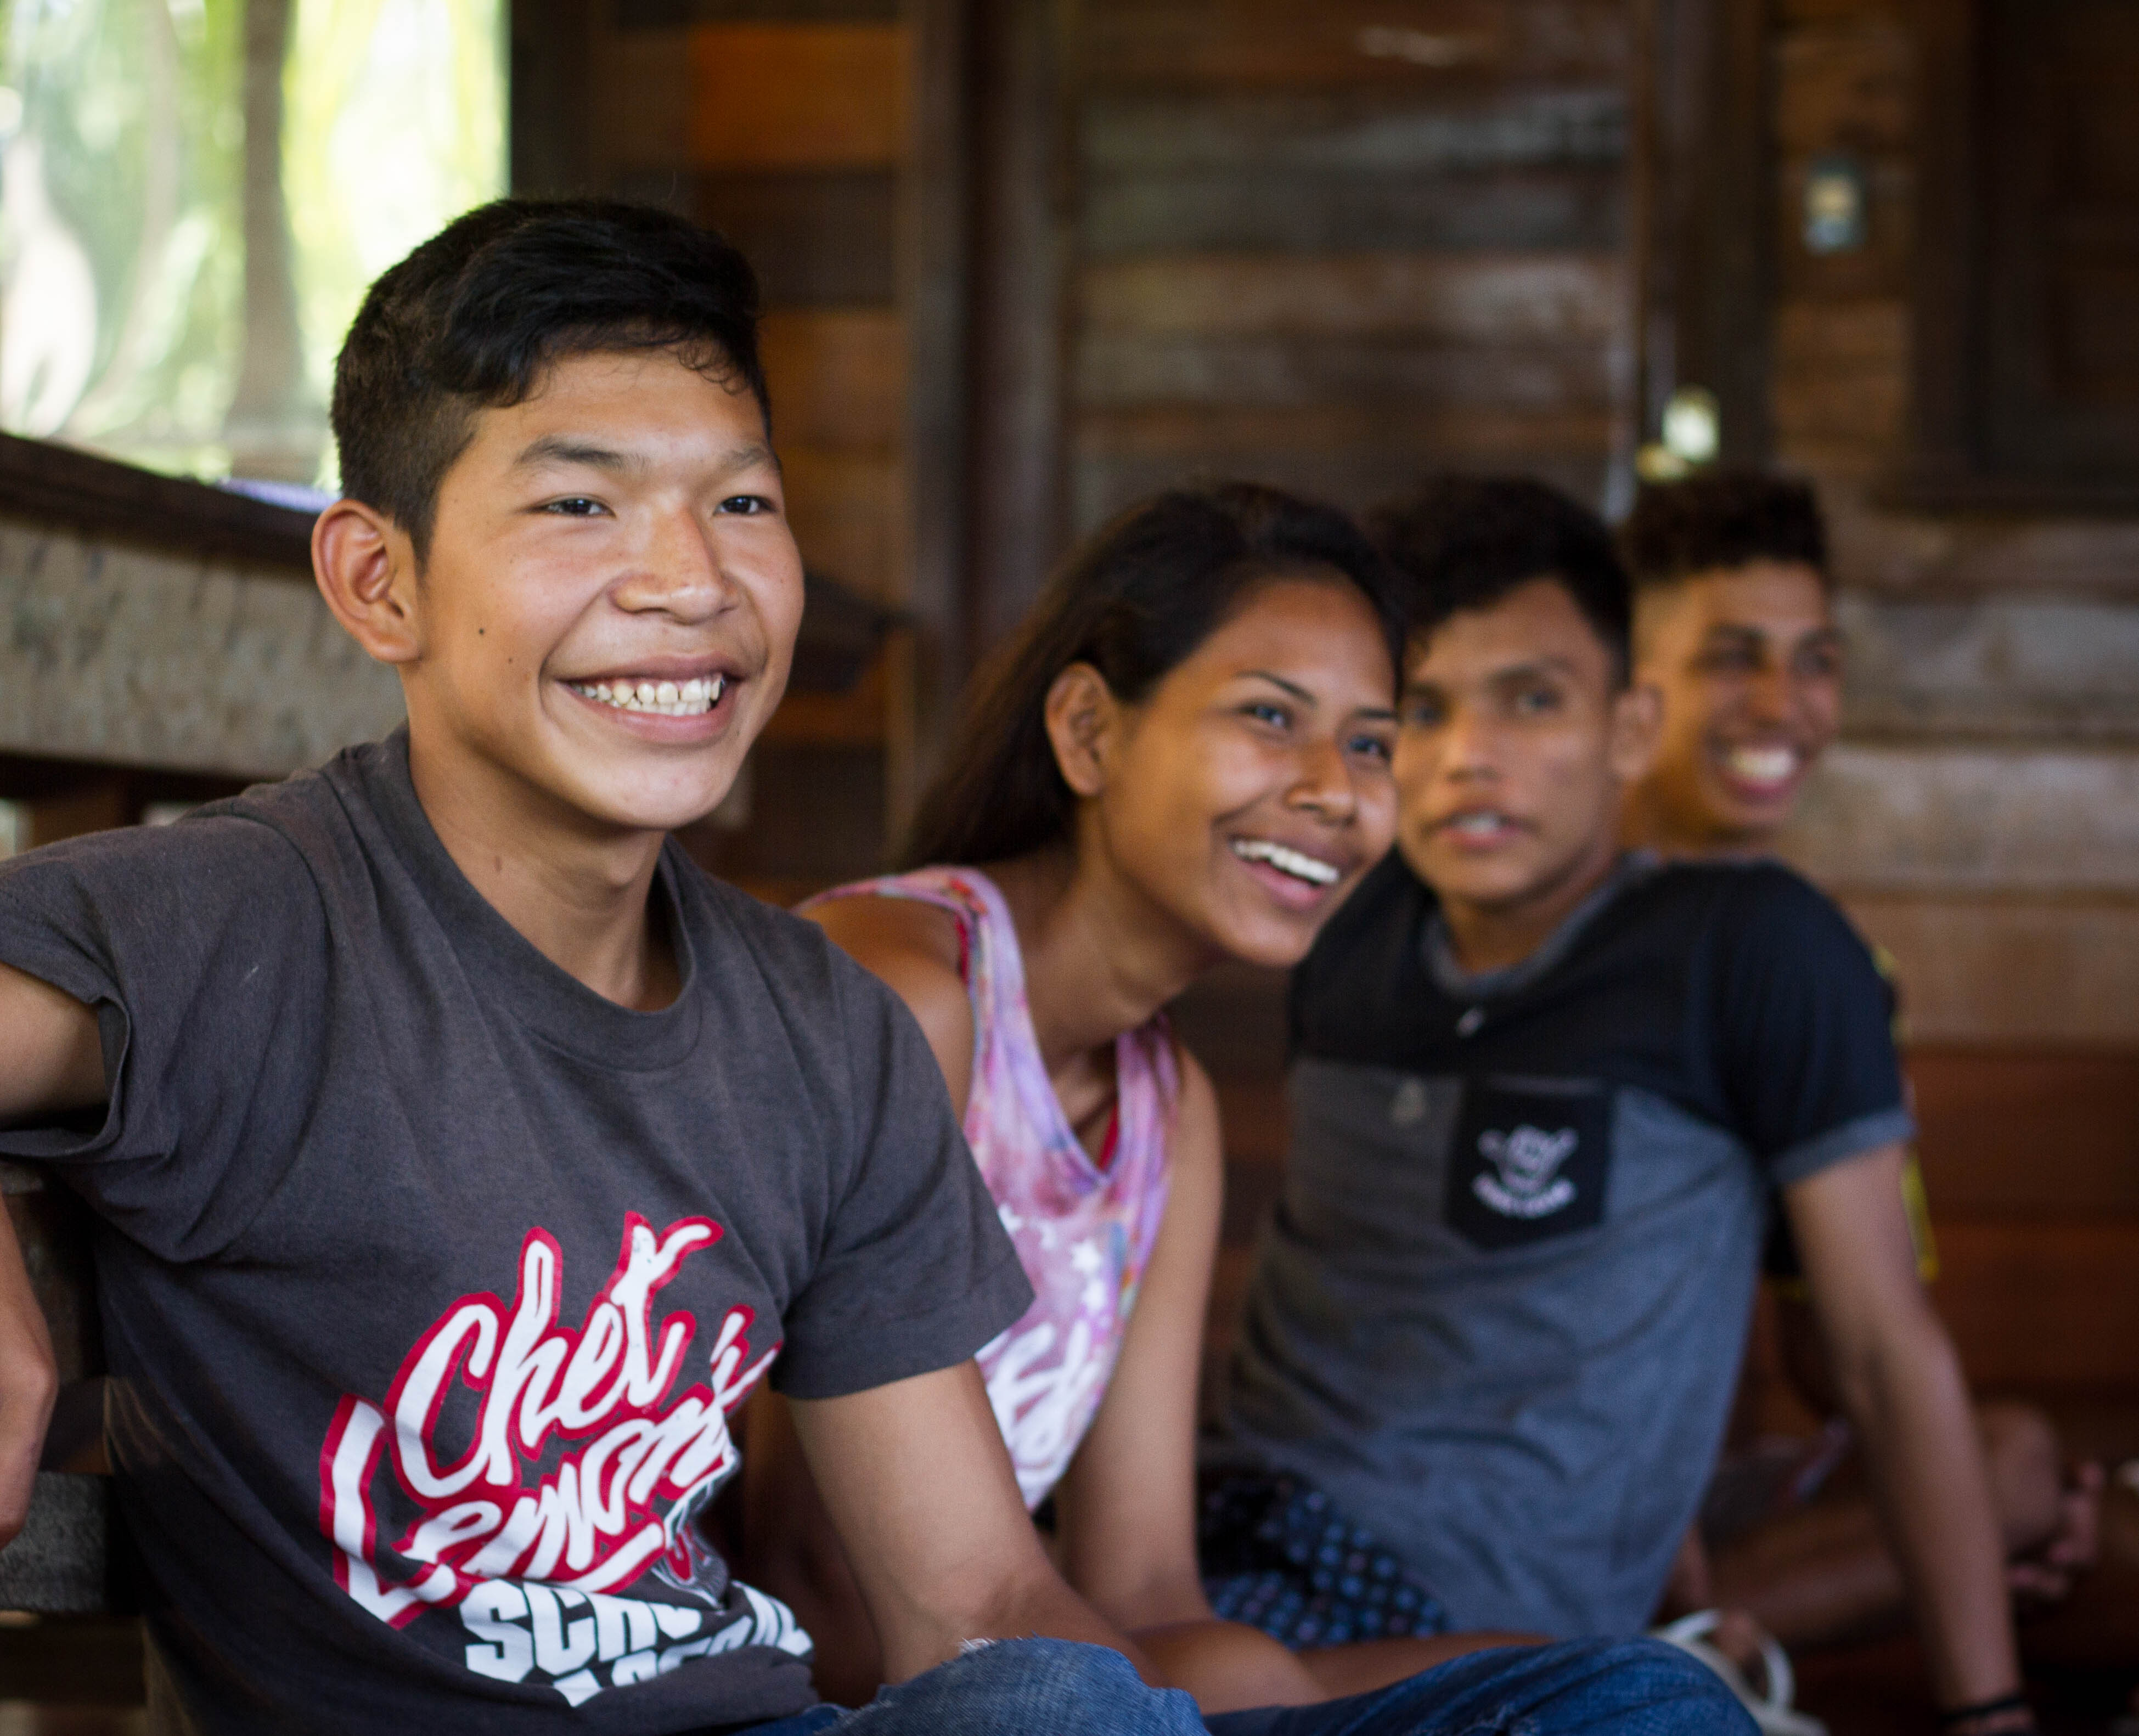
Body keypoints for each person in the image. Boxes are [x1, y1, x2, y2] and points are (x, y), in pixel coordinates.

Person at [0, 208, 1746, 1736]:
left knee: (1628, 1698)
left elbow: (980, 1604)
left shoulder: (810, 1024)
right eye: (579, 508)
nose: (682, 588)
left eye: (740, 508)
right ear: (378, 579)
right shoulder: (233, 922)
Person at [1202, 475, 2040, 1736]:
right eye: (1420, 710)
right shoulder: (1340, 923)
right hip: (1212, 1545)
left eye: (1530, 699)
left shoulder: (1756, 950)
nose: (1470, 753)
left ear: (1631, 725)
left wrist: (1990, 1712)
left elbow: (1874, 1347)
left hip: (1466, 1624)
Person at [744, 484, 1538, 1711]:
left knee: (1615, 1687)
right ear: (1089, 731)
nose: (1337, 789)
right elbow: (808, 1581)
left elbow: (1148, 1583)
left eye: (1372, 742)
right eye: (1273, 716)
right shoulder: (908, 997)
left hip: (1020, 1677)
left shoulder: (1172, 1106)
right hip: (790, 1690)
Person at [1619, 469, 2129, 1669]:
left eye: (1815, 660)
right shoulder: (1556, 929)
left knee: (2028, 1473)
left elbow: (1837, 1353)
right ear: (1629, 685)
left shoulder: (1821, 969)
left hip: (1707, 1496)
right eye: (1732, 658)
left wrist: (1997, 1509)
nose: (1783, 705)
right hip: (1537, 1499)